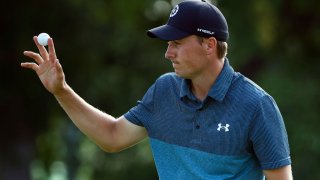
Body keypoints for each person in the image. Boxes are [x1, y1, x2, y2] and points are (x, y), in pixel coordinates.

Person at [21, 0, 293, 179]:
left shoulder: (257, 106)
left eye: (176, 43)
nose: (168, 53)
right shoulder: (164, 91)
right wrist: (61, 90)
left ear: (209, 45)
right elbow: (112, 137)